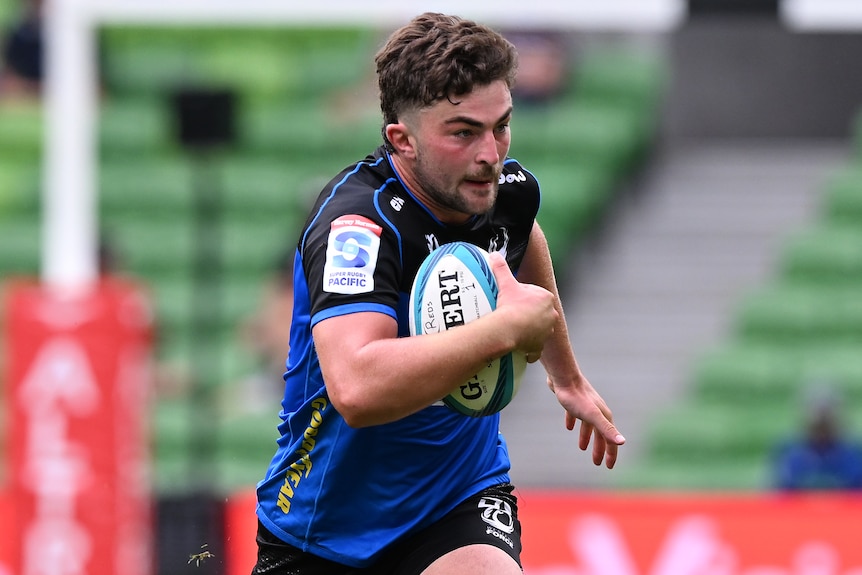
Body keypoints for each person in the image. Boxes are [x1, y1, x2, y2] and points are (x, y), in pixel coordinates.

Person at [251, 13, 625, 575]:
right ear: (402, 139)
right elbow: (356, 387)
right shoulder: (358, 227)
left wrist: (566, 376)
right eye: (463, 132)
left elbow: (525, 239)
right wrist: (501, 332)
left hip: (459, 497)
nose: (490, 153)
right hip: (324, 529)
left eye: (501, 125)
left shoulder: (503, 190)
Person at [772, 384, 862, 491]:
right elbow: (778, 494)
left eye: (826, 422)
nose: (822, 424)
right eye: (818, 423)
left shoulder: (854, 453)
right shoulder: (788, 453)